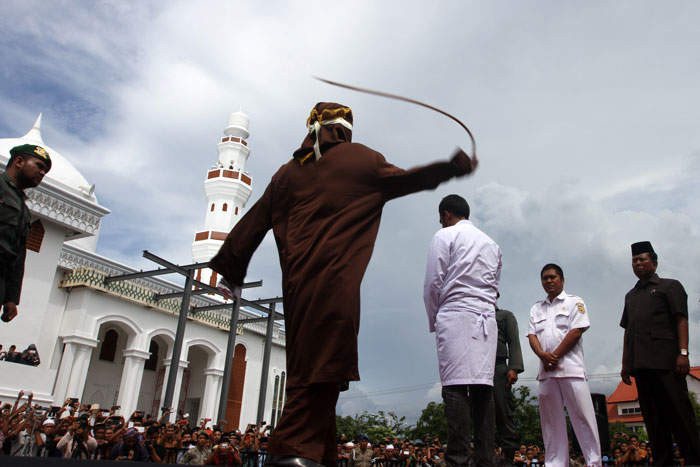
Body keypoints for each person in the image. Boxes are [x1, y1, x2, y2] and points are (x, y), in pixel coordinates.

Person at [210, 102, 478, 467]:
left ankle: (322, 457)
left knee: (316, 370)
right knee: (320, 372)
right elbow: (407, 180)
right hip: (336, 287)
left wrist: (230, 267)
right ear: (344, 130)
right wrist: (452, 167)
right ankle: (288, 453)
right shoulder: (361, 161)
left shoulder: (286, 174)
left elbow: (253, 222)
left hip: (297, 294)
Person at [423, 194, 502, 467]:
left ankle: (456, 459)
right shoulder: (492, 243)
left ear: (446, 214)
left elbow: (433, 282)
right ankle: (485, 459)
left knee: (455, 387)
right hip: (486, 318)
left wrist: (435, 319)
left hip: (456, 314)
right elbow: (494, 285)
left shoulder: (444, 236)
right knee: (483, 388)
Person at [620, 241, 700, 465]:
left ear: (654, 263)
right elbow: (628, 331)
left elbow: (681, 319)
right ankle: (663, 461)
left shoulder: (669, 286)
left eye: (642, 259)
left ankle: (694, 459)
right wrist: (625, 364)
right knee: (653, 420)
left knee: (680, 415)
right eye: (634, 261)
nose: (638, 264)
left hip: (666, 362)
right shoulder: (631, 295)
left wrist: (683, 353)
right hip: (641, 365)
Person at [526, 264, 601, 467]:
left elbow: (577, 331)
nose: (549, 281)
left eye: (553, 277)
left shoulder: (574, 302)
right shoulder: (536, 308)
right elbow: (532, 335)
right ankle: (555, 463)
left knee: (583, 418)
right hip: (546, 372)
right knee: (550, 422)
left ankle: (594, 462)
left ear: (562, 279)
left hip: (571, 369)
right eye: (545, 278)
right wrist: (542, 356)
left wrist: (555, 356)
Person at [1, 143, 51, 323]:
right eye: (39, 166)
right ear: (19, 162)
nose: (42, 173)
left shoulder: (23, 209)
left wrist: (11, 298)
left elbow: (18, 256)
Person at [493, 294, 523, 466]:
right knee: (480, 413)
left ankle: (509, 456)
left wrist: (514, 367)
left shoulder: (505, 316)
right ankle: (485, 453)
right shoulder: (474, 315)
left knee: (504, 411)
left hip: (499, 366)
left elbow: (513, 342)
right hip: (478, 369)